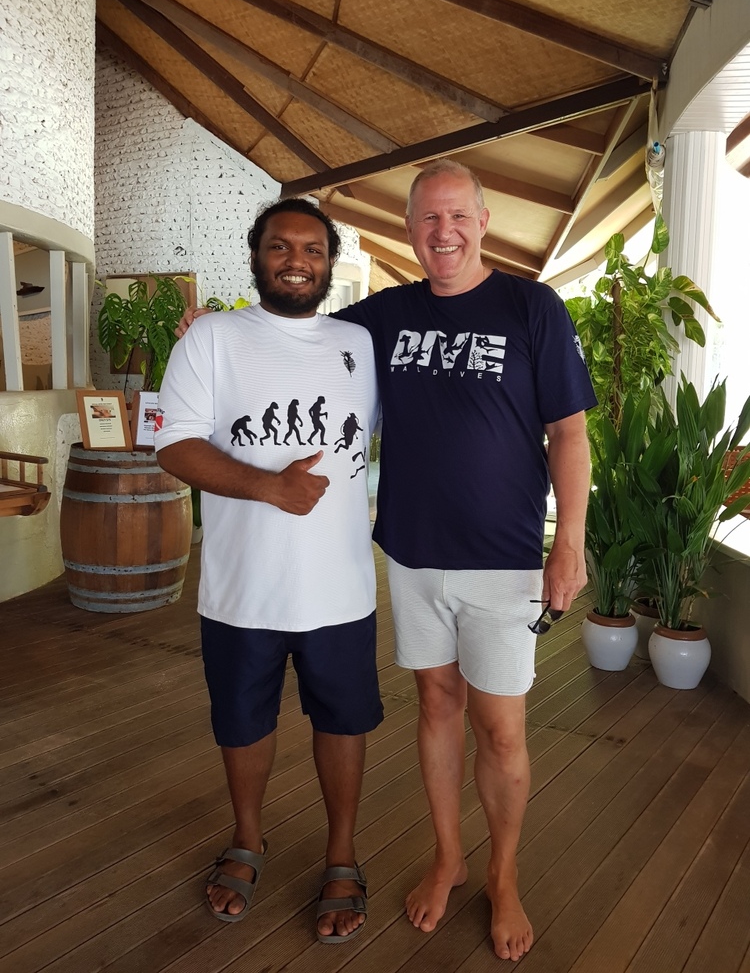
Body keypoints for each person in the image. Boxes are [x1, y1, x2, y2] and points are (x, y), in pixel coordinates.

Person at [178, 161, 595, 961]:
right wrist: (209, 328)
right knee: (436, 705)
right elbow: (292, 325)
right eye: (428, 219)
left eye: (458, 216)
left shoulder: (531, 307)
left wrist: (568, 542)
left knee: (500, 729)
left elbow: (569, 432)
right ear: (409, 230)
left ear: (483, 220)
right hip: (410, 555)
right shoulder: (383, 317)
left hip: (505, 560)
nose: (444, 232)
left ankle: (504, 877)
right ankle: (448, 859)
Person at [156, 199, 382, 943]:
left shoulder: (360, 342)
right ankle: (247, 840)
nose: (296, 261)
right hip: (241, 588)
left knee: (343, 721)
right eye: (280, 246)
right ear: (256, 255)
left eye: (312, 249)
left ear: (330, 262)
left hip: (340, 587)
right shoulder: (213, 338)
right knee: (243, 721)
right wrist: (269, 487)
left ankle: (341, 854)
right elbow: (174, 443)